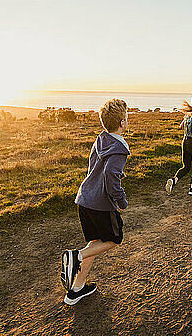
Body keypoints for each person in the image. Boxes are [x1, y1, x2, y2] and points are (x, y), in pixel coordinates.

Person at [60, 99, 130, 305]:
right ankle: (76, 256)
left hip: (85, 198)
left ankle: (76, 290)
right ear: (123, 123)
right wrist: (121, 200)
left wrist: (116, 175)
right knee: (113, 240)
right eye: (127, 118)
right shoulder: (120, 147)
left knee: (95, 243)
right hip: (100, 203)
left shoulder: (101, 139)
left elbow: (99, 168)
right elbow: (110, 174)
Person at [166, 94, 192, 196]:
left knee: (186, 166)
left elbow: (181, 127)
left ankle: (174, 180)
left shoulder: (188, 115)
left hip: (185, 142)